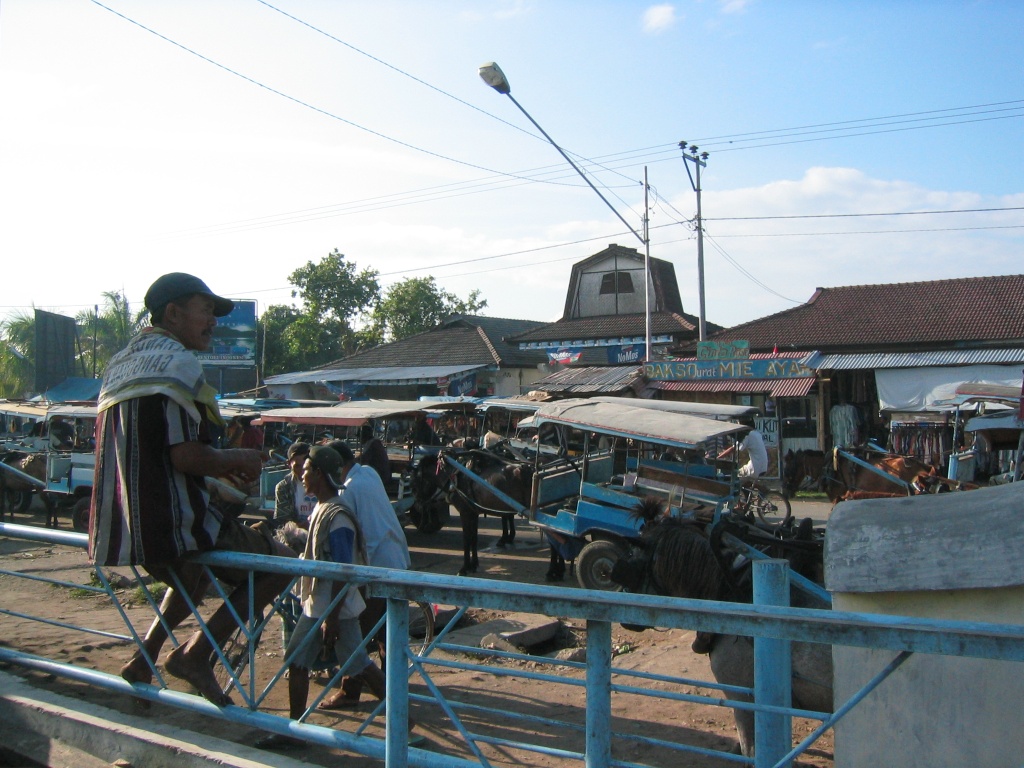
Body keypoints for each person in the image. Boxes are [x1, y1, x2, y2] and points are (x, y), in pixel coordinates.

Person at [89, 272, 296, 706]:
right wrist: (238, 459)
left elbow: (160, 454)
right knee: (281, 566)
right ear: (173, 313)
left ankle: (144, 659)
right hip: (174, 521)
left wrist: (219, 470)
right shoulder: (178, 364)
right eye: (206, 311)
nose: (213, 323)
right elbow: (184, 457)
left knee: (193, 574)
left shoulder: (119, 365)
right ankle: (197, 654)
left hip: (126, 527)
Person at [255, 445, 385, 750]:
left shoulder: (337, 516)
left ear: (320, 474)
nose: (301, 475)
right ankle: (295, 727)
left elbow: (343, 571)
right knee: (300, 661)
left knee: (358, 665)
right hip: (320, 604)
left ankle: (402, 719)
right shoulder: (323, 509)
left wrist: (332, 617)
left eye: (307, 469)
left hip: (332, 608)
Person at [318, 440, 411, 710]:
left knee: (356, 631)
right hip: (396, 561)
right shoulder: (367, 473)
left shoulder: (348, 489)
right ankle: (393, 682)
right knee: (386, 631)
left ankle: (353, 690)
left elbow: (354, 538)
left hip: (376, 566)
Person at [273, 441, 317, 529]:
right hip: (297, 538)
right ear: (289, 464)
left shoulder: (322, 481)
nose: (302, 471)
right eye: (297, 466)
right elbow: (283, 522)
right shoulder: (284, 487)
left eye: (305, 467)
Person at [718, 416, 768, 481]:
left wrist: (718, 457)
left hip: (755, 468)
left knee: (735, 477)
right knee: (741, 477)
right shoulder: (757, 433)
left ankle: (758, 487)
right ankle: (758, 487)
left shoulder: (748, 435)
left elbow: (733, 449)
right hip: (763, 467)